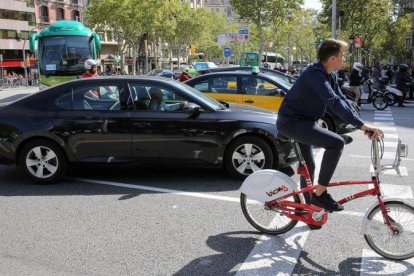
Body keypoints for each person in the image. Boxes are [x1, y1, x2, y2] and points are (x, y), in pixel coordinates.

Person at [276, 38, 382, 212]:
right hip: (292, 123)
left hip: (305, 122)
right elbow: (332, 101)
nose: (344, 59)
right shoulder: (314, 74)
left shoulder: (329, 74)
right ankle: (320, 194)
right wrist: (362, 126)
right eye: (342, 55)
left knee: (309, 167)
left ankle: (308, 209)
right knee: (336, 143)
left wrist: (362, 124)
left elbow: (341, 99)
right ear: (332, 58)